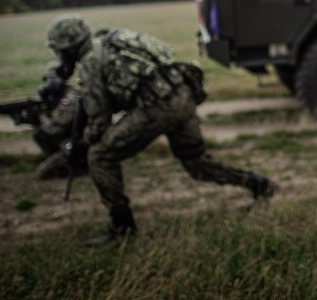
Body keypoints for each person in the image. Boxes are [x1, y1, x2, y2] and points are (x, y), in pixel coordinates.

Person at [46, 14, 279, 247]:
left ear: (69, 48)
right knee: (195, 162)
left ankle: (123, 229)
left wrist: (80, 144)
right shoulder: (112, 39)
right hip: (181, 95)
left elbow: (99, 121)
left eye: (59, 51)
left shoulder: (90, 63)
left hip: (156, 108)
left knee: (99, 156)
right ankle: (259, 184)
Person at [31, 64, 84, 180]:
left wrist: (41, 116)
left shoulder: (69, 100)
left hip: (77, 144)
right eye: (48, 79)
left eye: (52, 79)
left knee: (41, 173)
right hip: (66, 140)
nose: (49, 83)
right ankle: (62, 161)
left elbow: (55, 130)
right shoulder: (58, 97)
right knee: (39, 134)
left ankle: (79, 166)